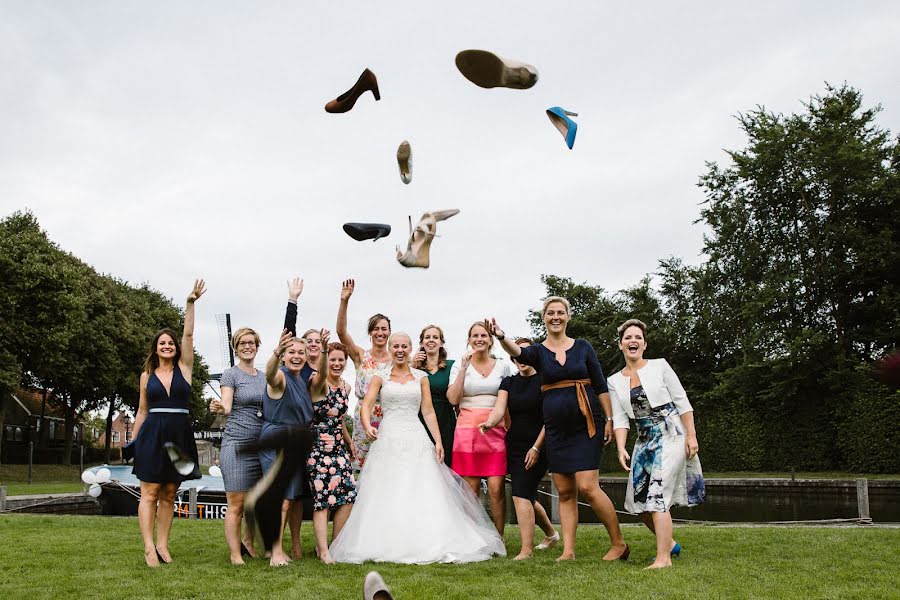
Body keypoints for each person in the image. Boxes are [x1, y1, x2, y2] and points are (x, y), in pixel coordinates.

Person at [328, 332, 506, 564]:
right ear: (390, 348)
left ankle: (427, 537)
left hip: (416, 436)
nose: (400, 350)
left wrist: (438, 441)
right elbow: (367, 405)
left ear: (411, 348)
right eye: (396, 346)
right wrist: (367, 425)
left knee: (421, 485)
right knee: (387, 487)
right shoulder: (379, 377)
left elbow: (428, 411)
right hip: (388, 436)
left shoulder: (421, 377)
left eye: (404, 346)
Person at [490, 297, 628, 562]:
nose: (555, 316)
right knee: (565, 491)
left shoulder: (583, 347)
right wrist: (501, 336)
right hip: (555, 430)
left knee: (587, 486)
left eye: (560, 312)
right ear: (544, 317)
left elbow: (600, 385)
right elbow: (519, 353)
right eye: (550, 312)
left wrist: (609, 419)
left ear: (567, 317)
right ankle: (568, 551)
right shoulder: (539, 353)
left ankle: (618, 543)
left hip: (585, 425)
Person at [608, 319, 705, 569]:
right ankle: (670, 544)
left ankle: (663, 559)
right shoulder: (614, 381)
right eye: (628, 337)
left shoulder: (660, 366)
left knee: (657, 496)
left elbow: (682, 402)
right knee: (638, 503)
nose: (633, 341)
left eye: (638, 337)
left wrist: (691, 436)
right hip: (644, 439)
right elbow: (619, 418)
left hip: (671, 434)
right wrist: (621, 448)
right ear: (621, 345)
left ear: (645, 344)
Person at [132, 279, 206, 567]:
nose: (167, 346)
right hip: (152, 434)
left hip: (178, 433)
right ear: (156, 348)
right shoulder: (146, 376)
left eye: (170, 343)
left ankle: (163, 545)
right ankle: (149, 548)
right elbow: (141, 411)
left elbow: (188, 335)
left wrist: (190, 304)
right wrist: (134, 443)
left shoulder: (184, 369)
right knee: (149, 492)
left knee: (170, 492)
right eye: (162, 343)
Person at [480, 337, 558, 560]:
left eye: (525, 353)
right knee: (526, 494)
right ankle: (551, 534)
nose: (520, 359)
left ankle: (526, 550)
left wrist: (536, 447)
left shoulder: (545, 380)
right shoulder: (508, 383)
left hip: (540, 445)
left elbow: (549, 418)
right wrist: (490, 422)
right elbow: (499, 409)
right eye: (516, 355)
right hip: (514, 445)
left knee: (521, 493)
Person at [447, 321, 516, 535]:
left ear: (490, 340)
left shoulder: (503, 365)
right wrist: (464, 368)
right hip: (467, 432)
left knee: (496, 489)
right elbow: (452, 399)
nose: (479, 339)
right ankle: (473, 537)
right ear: (468, 340)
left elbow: (510, 400)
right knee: (471, 489)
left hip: (496, 431)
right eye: (474, 335)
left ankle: (499, 537)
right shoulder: (460, 365)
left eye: (483, 335)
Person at [209, 326, 265, 564]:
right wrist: (221, 407)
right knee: (236, 503)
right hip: (236, 444)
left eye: (251, 342)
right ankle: (234, 555)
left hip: (260, 445)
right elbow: (228, 404)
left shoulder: (263, 377)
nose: (247, 346)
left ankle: (248, 541)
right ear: (236, 347)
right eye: (242, 343)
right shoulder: (230, 374)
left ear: (257, 346)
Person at [259, 327, 314, 566]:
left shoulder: (300, 380)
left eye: (301, 352)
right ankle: (275, 552)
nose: (297, 356)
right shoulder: (280, 376)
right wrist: (275, 352)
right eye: (291, 351)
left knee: (288, 499)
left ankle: (276, 548)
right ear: (283, 355)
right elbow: (269, 375)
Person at [306, 331, 357, 563]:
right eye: (333, 359)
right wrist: (324, 351)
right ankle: (323, 550)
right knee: (322, 498)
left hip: (338, 446)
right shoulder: (318, 382)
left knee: (347, 495)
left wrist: (348, 441)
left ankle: (335, 545)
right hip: (318, 447)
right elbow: (323, 372)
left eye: (341, 360)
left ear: (346, 363)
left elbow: (339, 418)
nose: (337, 364)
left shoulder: (346, 387)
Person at [335, 278, 391, 472]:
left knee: (388, 465)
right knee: (364, 467)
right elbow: (341, 333)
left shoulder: (398, 360)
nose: (380, 333)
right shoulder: (361, 356)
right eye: (376, 329)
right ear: (370, 333)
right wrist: (344, 301)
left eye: (384, 329)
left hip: (389, 415)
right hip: (363, 416)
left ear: (389, 332)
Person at [412, 325, 456, 467]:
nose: (431, 340)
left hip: (445, 420)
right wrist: (412, 366)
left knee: (446, 463)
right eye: (427, 337)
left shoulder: (451, 366)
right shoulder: (413, 367)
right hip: (420, 420)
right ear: (421, 343)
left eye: (435, 337)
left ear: (441, 343)